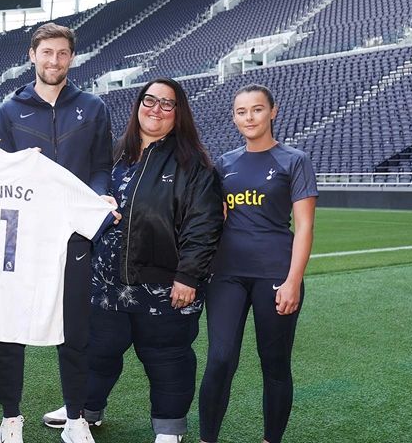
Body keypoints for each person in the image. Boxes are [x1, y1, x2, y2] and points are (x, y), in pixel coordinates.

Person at [78, 78, 224, 443]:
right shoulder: (113, 156)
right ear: (138, 104)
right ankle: (85, 413)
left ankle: (169, 428)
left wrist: (189, 276)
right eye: (149, 100)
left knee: (167, 358)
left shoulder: (194, 164)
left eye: (167, 103)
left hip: (165, 287)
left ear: (179, 113)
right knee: (98, 352)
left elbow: (204, 225)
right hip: (107, 286)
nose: (155, 109)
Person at [0, 22, 114, 443]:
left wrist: (99, 198)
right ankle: (11, 418)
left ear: (72, 58)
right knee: (11, 331)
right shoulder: (9, 110)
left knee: (75, 330)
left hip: (72, 235)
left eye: (62, 53)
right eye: (47, 53)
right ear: (32, 55)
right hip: (20, 236)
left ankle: (76, 419)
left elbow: (101, 167)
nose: (54, 60)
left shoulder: (93, 107)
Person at [197, 84, 317, 443]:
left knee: (275, 364)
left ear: (272, 112)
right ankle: (207, 438)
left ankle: (271, 439)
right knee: (219, 359)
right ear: (234, 117)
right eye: (241, 112)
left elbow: (305, 225)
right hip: (226, 275)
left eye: (257, 110)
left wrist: (294, 280)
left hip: (275, 275)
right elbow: (212, 218)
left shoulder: (294, 161)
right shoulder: (225, 163)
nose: (249, 117)